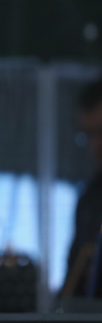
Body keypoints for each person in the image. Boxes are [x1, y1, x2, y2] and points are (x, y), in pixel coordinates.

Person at [62, 76, 102, 298]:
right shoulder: (89, 199)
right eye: (88, 135)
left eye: (101, 132)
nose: (95, 145)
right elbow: (73, 281)